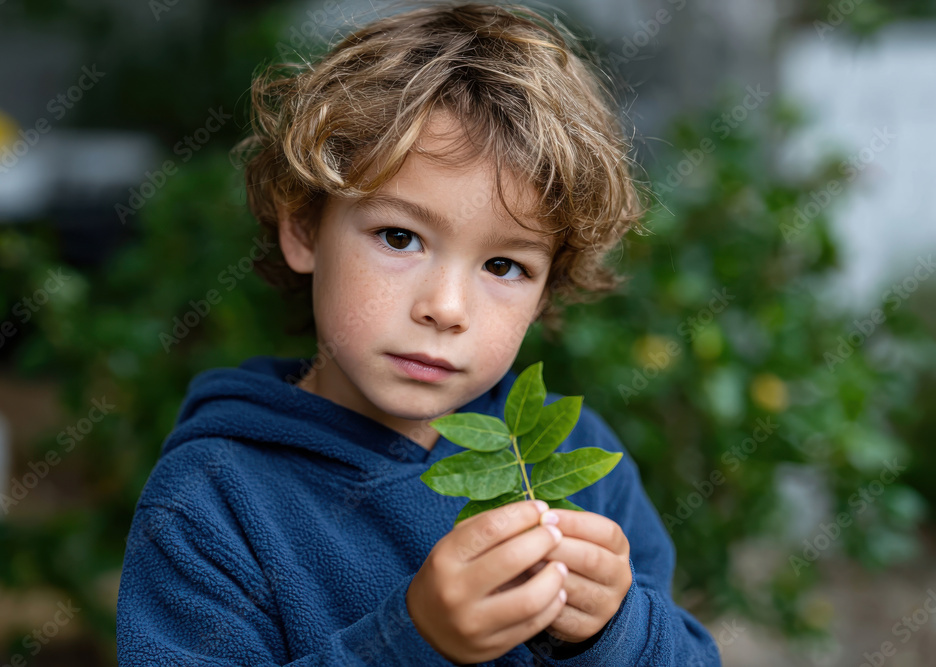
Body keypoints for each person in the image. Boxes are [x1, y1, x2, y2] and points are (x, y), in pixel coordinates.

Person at [116, 2, 722, 665]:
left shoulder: (576, 456)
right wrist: (410, 642)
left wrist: (615, 631)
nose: (446, 307)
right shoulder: (211, 499)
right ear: (304, 228)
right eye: (400, 237)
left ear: (546, 291)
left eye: (503, 266)